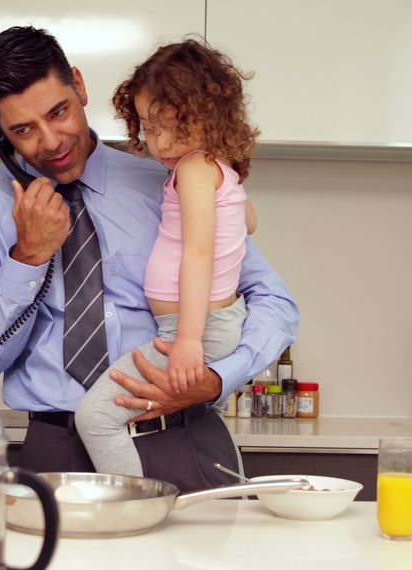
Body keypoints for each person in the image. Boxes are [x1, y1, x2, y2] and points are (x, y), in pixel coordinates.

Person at [0, 26, 298, 491]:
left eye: (58, 111)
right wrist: (27, 257)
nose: (50, 142)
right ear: (0, 133)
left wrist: (217, 378)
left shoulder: (168, 182)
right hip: (56, 450)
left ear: (79, 85)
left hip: (183, 440)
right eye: (23, 130)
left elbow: (274, 300)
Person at [74, 39, 260, 477]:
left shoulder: (195, 170)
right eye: (147, 126)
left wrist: (188, 343)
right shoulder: (217, 169)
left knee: (96, 419)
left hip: (192, 331)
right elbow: (249, 222)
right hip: (200, 326)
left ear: (205, 116)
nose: (156, 143)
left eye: (166, 126)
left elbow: (198, 254)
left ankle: (127, 505)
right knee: (106, 416)